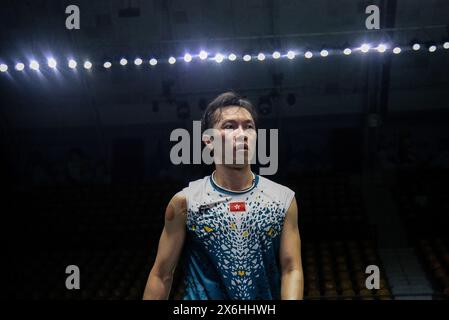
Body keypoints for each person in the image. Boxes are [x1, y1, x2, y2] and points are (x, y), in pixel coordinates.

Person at [143, 92, 303, 300]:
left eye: (249, 126)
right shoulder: (185, 202)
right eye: (230, 126)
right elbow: (161, 275)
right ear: (209, 141)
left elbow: (292, 270)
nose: (242, 133)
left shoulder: (283, 200)